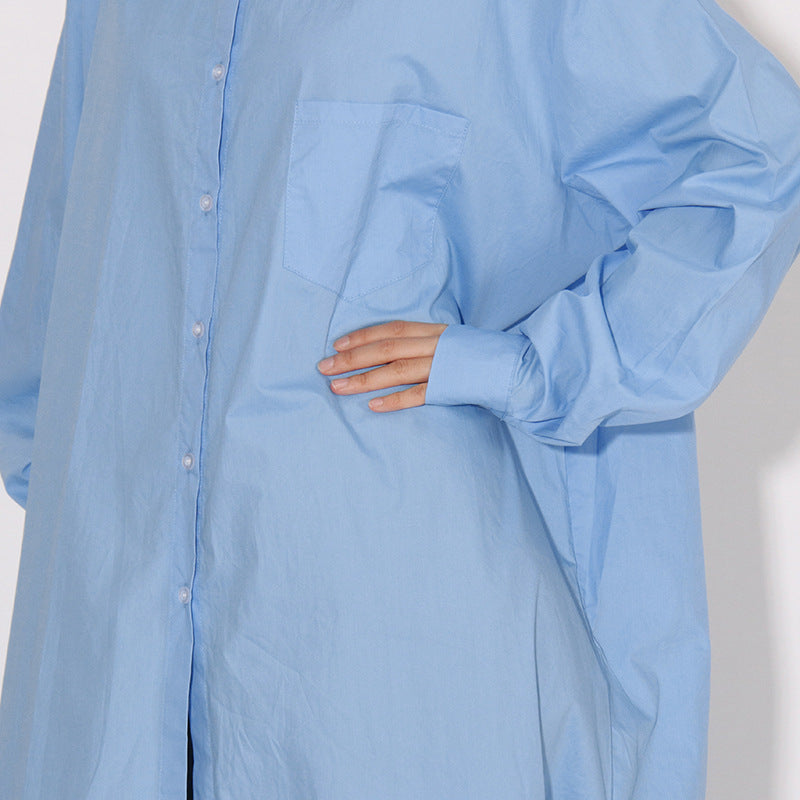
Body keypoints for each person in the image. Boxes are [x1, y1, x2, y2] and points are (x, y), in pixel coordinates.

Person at [2, 0, 800, 797]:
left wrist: (531, 367)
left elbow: (763, 148)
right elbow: (59, 292)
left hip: (381, 668)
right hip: (116, 657)